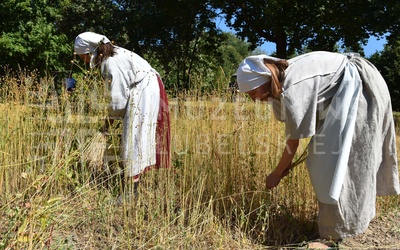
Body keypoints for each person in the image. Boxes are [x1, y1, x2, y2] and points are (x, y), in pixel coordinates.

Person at [236, 51, 400, 247]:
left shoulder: (292, 88)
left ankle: (334, 235)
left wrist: (276, 173)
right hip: (346, 92)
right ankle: (342, 225)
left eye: (253, 93)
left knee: (336, 163)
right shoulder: (281, 83)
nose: (254, 100)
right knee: (329, 159)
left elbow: (293, 142)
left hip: (360, 89)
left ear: (264, 81)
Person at [74, 32, 171, 201]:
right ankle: (132, 184)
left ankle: (129, 193)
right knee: (137, 138)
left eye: (81, 55)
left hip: (144, 92)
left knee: (134, 138)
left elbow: (117, 102)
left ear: (88, 51)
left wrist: (106, 126)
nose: (81, 60)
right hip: (145, 88)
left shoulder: (110, 62)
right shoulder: (114, 54)